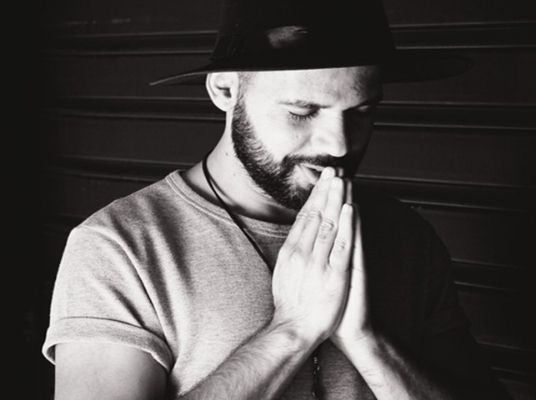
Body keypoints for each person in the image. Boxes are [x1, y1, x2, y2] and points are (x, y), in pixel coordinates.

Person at [42, 0, 512, 399]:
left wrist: (368, 342)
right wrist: (293, 330)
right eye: (303, 111)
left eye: (362, 111)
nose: (340, 144)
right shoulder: (120, 247)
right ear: (225, 89)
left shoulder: (404, 235)